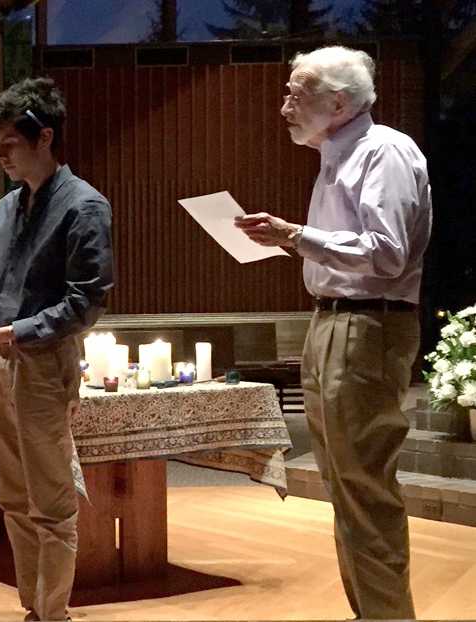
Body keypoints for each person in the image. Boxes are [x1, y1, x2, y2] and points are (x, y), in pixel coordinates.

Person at [235, 46, 431, 620]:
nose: (284, 105)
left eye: (297, 93)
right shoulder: (337, 155)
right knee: (343, 486)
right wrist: (291, 240)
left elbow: (388, 254)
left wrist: (295, 236)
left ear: (339, 102)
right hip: (336, 322)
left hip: (368, 325)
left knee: (363, 488)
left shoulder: (384, 151)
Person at [0, 77, 114, 622]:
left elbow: (86, 301)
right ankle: (32, 607)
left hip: (43, 363)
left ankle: (53, 612)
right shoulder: (4, 209)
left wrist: (13, 333)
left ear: (44, 137)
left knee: (50, 501)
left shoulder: (84, 206)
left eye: (9, 145)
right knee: (13, 496)